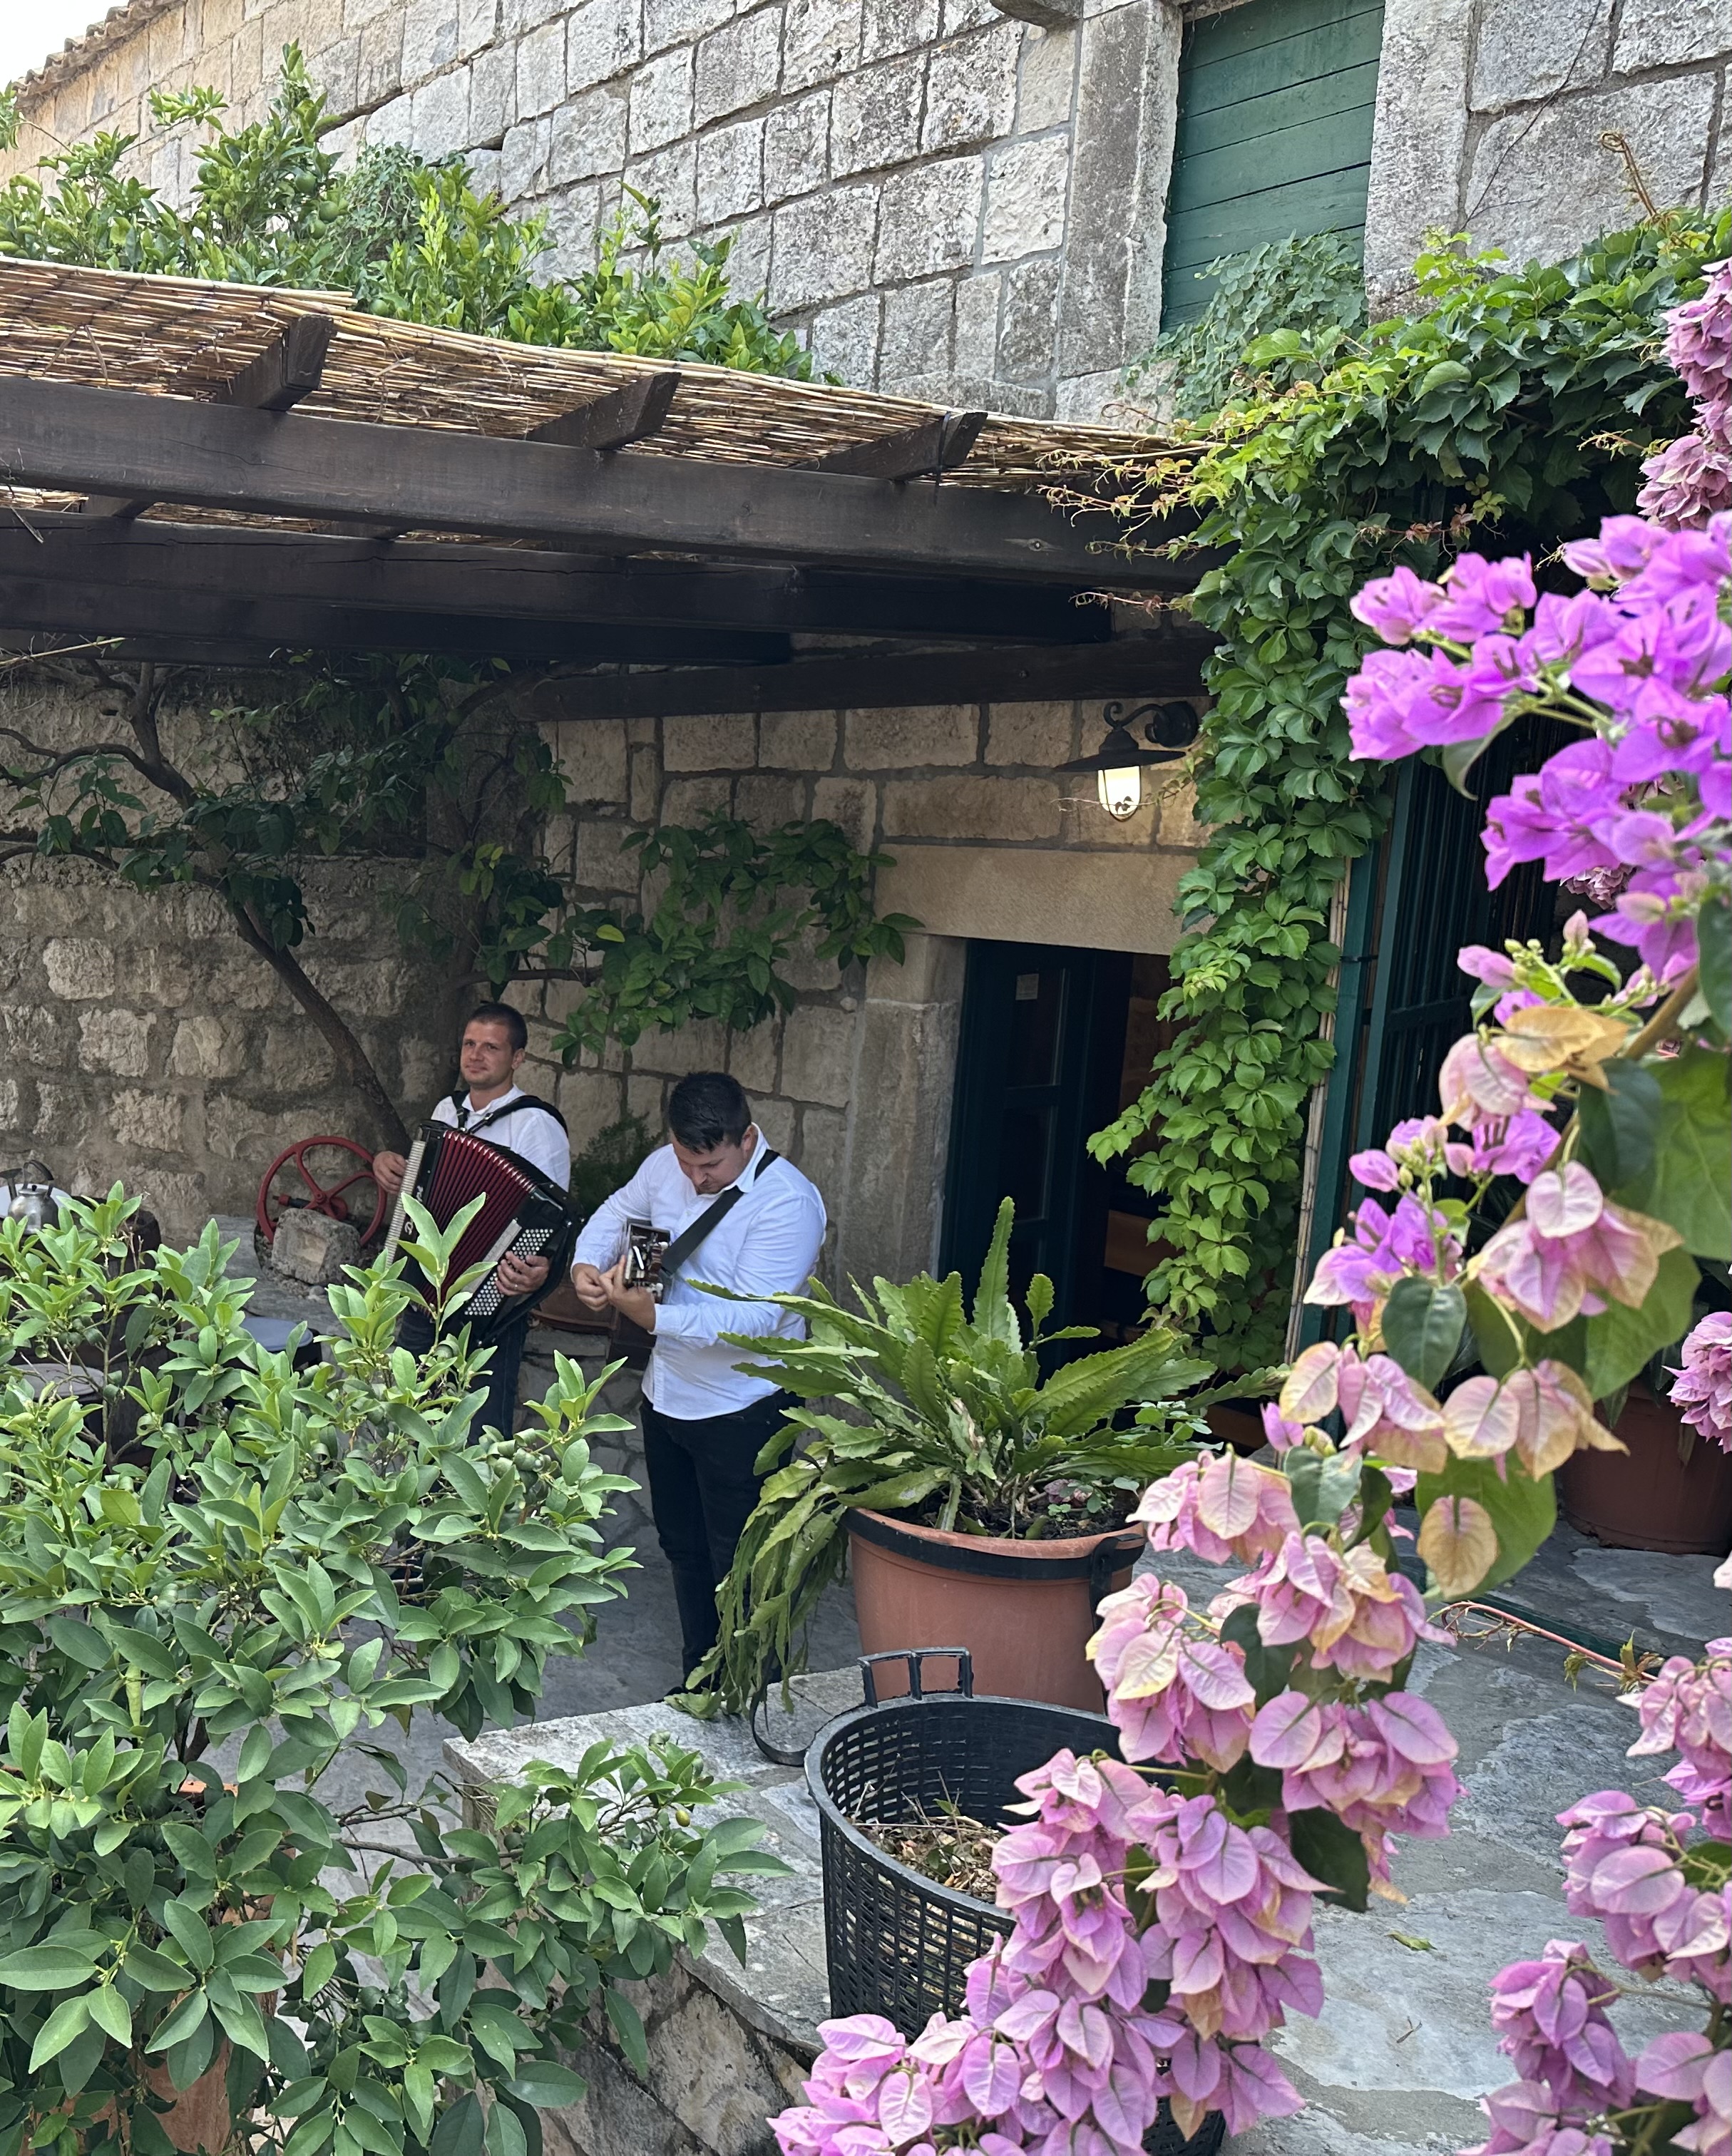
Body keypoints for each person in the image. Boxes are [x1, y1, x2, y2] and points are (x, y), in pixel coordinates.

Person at [569, 1070, 826, 1679]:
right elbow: (619, 1210)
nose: (696, 1178)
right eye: (686, 1161)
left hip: (743, 1408)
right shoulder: (667, 1165)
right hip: (667, 1395)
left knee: (742, 1563)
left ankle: (751, 1690)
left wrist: (654, 1317)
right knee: (683, 1548)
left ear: (747, 1138)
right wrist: (586, 1263)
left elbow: (755, 1319)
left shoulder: (788, 1203)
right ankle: (700, 1679)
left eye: (709, 1165)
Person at [371, 1002, 569, 1442]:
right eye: (469, 1044)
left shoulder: (536, 1125)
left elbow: (551, 1220)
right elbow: (423, 1190)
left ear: (517, 1058)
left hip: (489, 1302)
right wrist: (389, 1165)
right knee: (408, 1418)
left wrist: (538, 1268)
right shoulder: (447, 1110)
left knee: (479, 1433)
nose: (476, 1055)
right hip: (428, 1291)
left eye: (491, 1047)